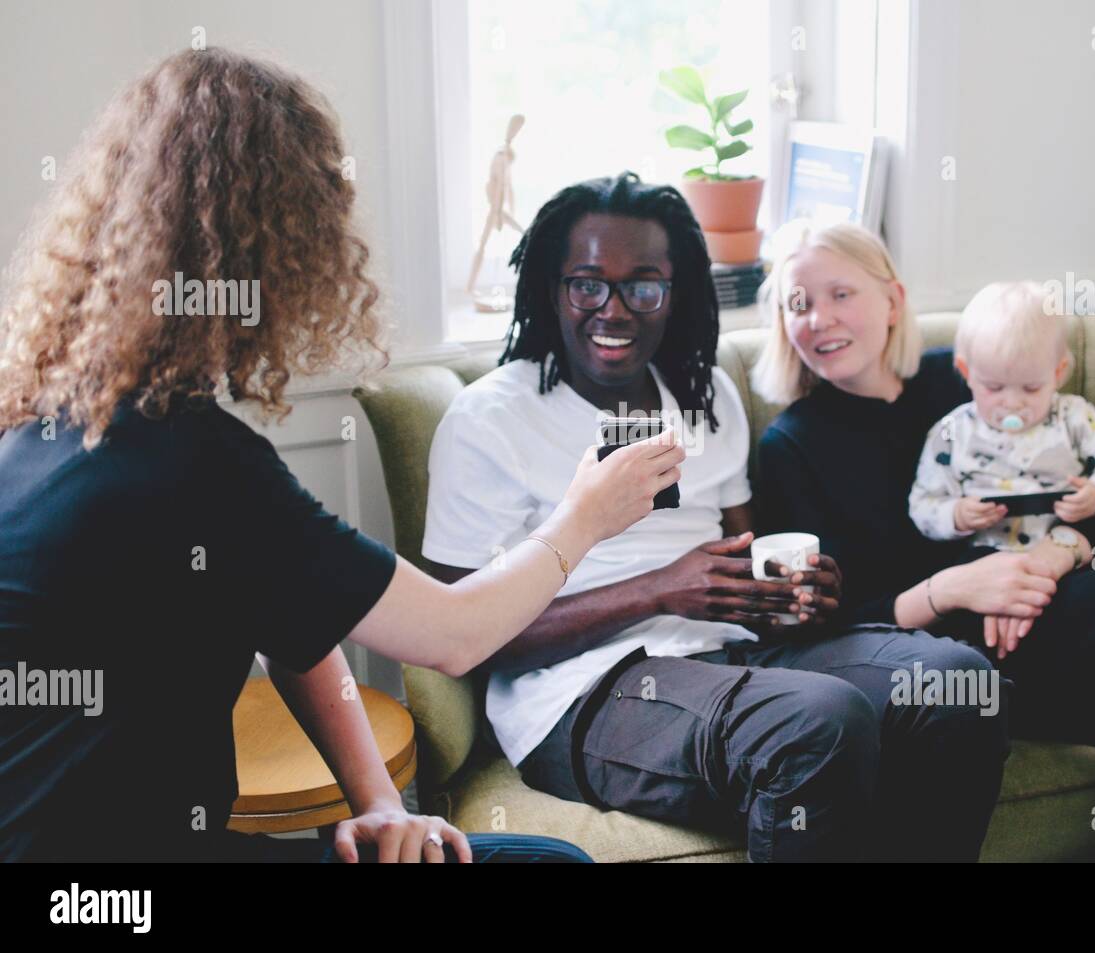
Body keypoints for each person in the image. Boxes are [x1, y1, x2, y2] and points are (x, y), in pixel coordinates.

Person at [0, 49, 685, 863]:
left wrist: (382, 803)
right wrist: (583, 521)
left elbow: (296, 611)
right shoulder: (197, 463)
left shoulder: (48, 423)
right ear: (280, 242)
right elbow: (455, 634)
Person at [422, 172, 1010, 863]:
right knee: (818, 723)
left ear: (677, 296)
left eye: (643, 286)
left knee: (961, 685)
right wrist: (659, 589)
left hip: (737, 653)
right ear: (553, 289)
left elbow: (745, 555)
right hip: (585, 690)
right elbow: (459, 633)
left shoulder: (707, 396)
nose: (612, 309)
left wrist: (796, 593)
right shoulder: (491, 417)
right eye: (587, 283)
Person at [753, 219, 1095, 861]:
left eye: (839, 294)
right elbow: (818, 634)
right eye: (799, 303)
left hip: (1052, 619)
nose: (818, 318)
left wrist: (1055, 552)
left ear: (893, 299)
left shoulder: (971, 378)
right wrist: (949, 587)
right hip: (946, 663)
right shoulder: (790, 446)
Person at [909, 280, 1095, 574]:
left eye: (1031, 388)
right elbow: (922, 505)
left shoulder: (1074, 418)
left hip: (1068, 556)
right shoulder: (950, 433)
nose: (1012, 403)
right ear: (967, 373)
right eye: (994, 387)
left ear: (1058, 373)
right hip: (985, 568)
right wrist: (955, 515)